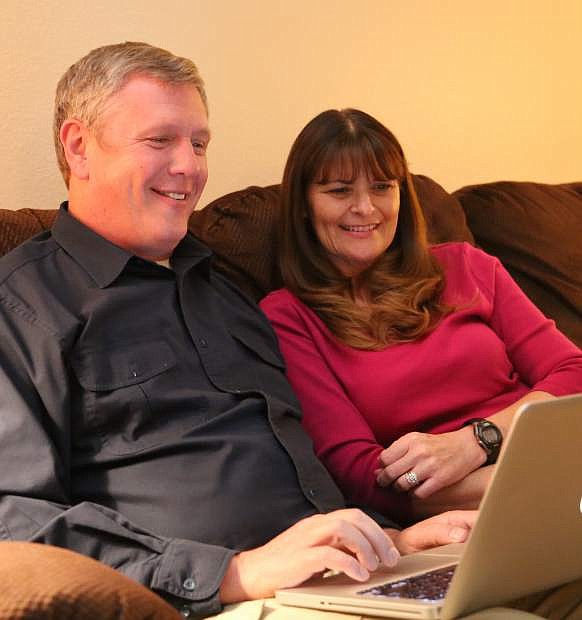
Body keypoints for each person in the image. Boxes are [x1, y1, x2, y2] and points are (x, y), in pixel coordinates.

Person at [0, 42, 478, 617]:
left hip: (345, 576)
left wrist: (394, 542)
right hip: (221, 599)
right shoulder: (22, 305)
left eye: (199, 143)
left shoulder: (225, 290)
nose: (190, 166)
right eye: (160, 141)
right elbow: (14, 516)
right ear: (79, 147)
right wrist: (233, 573)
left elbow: (303, 468)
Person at [260, 108, 582, 523]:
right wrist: (528, 485)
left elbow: (572, 369)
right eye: (340, 190)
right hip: (478, 503)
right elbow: (358, 472)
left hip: (554, 452)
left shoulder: (466, 266)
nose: (365, 207)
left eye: (381, 186)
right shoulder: (288, 317)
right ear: (303, 205)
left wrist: (478, 441)